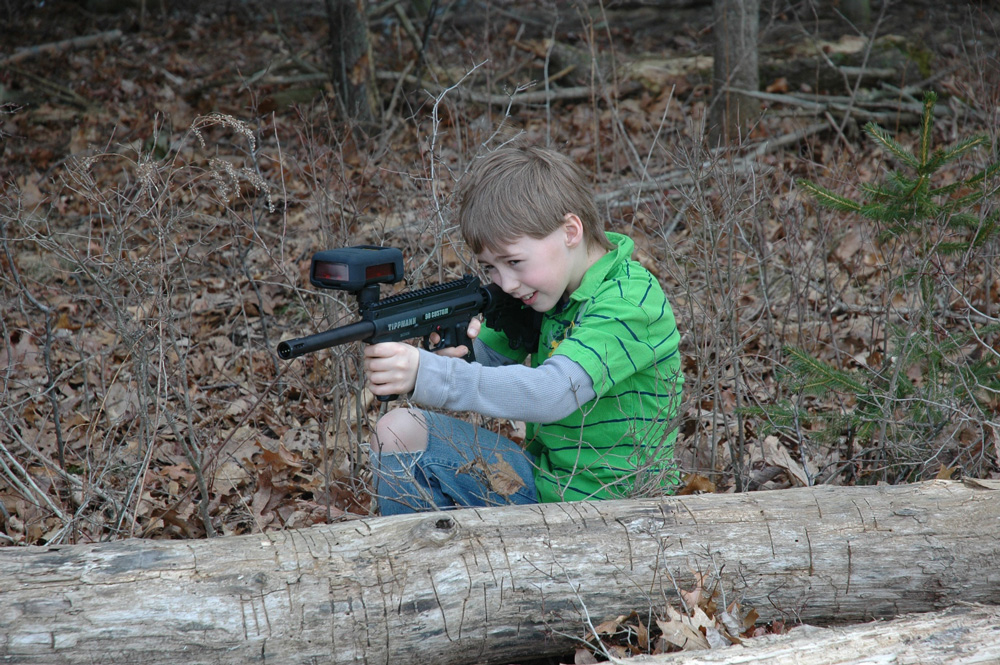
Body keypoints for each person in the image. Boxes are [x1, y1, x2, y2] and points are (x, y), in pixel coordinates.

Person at [363, 145, 683, 515]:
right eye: (492, 269)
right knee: (398, 431)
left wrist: (427, 372)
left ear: (570, 231)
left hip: (618, 508)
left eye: (515, 261)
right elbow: (490, 358)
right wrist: (459, 349)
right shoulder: (548, 291)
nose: (508, 283)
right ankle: (422, 565)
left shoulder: (630, 301)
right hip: (543, 484)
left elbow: (550, 393)